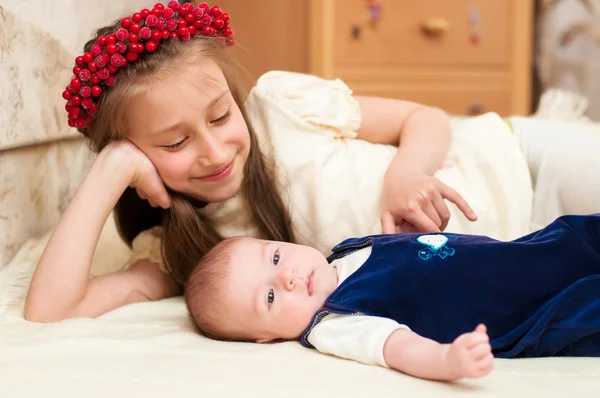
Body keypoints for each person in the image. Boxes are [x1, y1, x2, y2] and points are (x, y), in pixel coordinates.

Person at [24, 1, 600, 322]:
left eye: (221, 116)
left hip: (520, 161)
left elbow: (423, 119)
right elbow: (51, 309)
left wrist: (405, 172)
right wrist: (113, 165)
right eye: (173, 145)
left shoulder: (280, 108)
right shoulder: (185, 254)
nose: (216, 151)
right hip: (528, 250)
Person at [184, 214, 600, 382]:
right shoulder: (334, 323)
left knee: (579, 233)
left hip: (527, 254)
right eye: (270, 296)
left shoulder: (344, 252)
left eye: (275, 256)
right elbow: (397, 347)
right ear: (268, 337)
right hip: (525, 310)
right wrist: (444, 360)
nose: (289, 276)